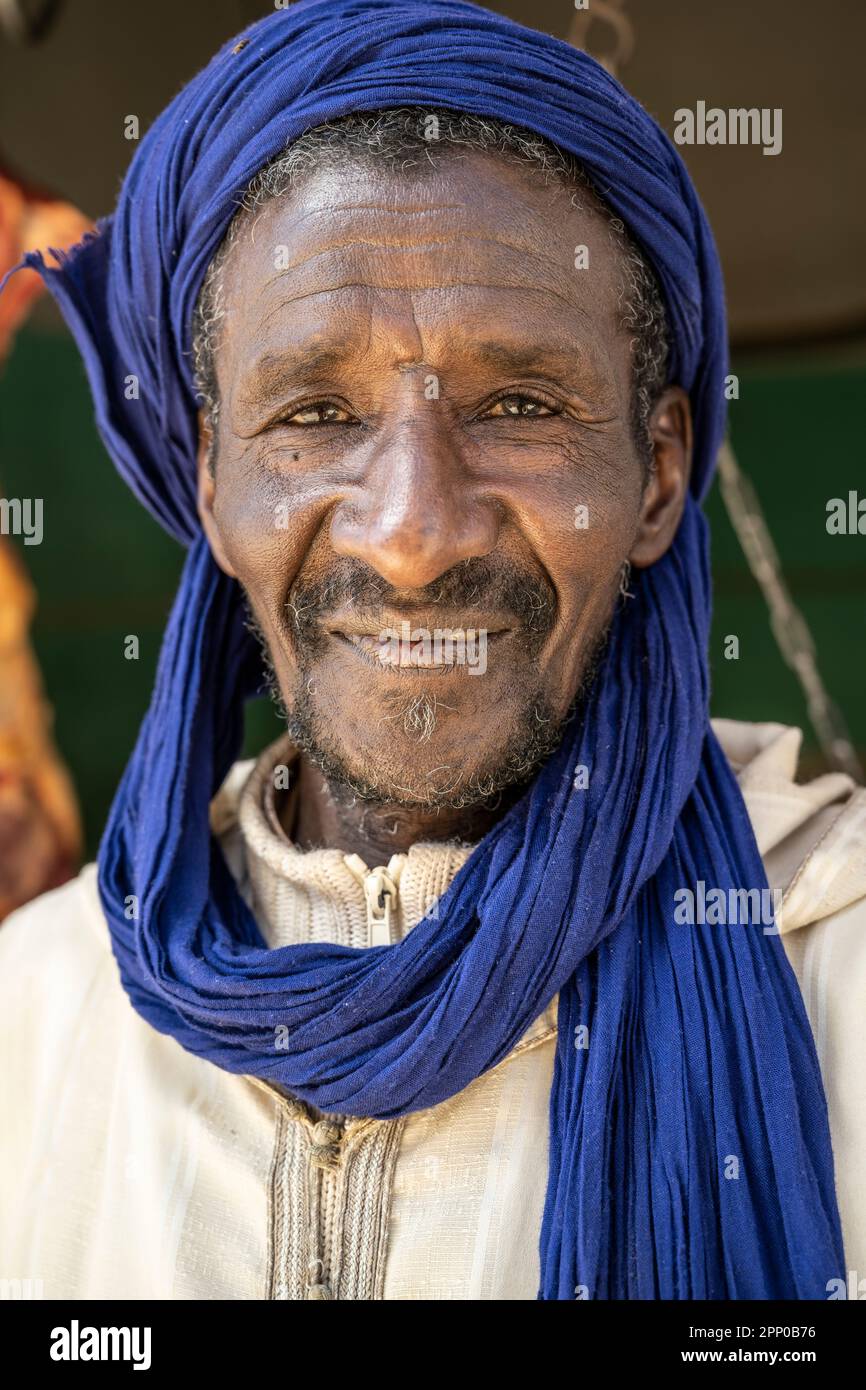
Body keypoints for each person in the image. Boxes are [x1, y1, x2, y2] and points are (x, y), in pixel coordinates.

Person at [1, 0, 863, 1301]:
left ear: (658, 473)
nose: (411, 533)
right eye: (313, 412)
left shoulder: (836, 971)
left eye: (518, 403)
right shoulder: (32, 1019)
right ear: (208, 481)